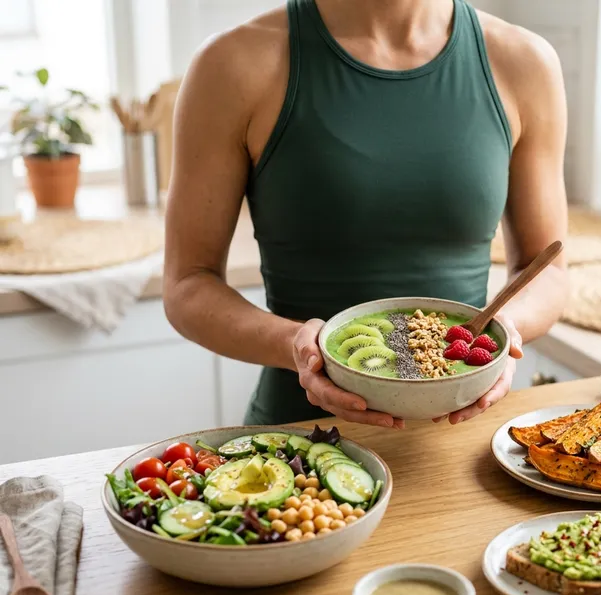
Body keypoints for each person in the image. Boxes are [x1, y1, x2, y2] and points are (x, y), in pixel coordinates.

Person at [163, 0, 570, 430]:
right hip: (303, 445)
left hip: (466, 444)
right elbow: (188, 283)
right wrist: (296, 346)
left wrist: (504, 335)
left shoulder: (525, 61)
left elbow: (547, 269)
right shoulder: (233, 63)